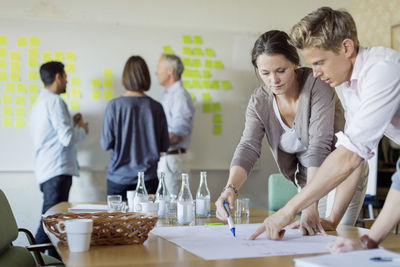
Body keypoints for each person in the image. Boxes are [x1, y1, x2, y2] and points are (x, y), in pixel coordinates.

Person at [252, 6, 400, 244]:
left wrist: (289, 210)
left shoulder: (383, 70)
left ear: (346, 48)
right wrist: (333, 219)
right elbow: (354, 154)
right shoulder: (345, 81)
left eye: (320, 62)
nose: (316, 73)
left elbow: (350, 157)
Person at [215, 30, 369, 237]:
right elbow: (248, 147)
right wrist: (230, 188)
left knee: (334, 234)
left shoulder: (317, 84)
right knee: (308, 239)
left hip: (344, 173)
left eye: (281, 70)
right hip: (309, 180)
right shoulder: (259, 101)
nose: (273, 81)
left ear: (295, 63)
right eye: (265, 73)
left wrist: (310, 204)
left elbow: (319, 145)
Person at [30, 61, 88, 256]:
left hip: (48, 170)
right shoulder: (55, 102)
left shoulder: (41, 102)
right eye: (65, 76)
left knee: (55, 224)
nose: (67, 80)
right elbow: (67, 138)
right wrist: (82, 130)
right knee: (50, 224)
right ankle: (33, 261)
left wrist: (72, 123)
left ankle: (54, 261)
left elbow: (54, 135)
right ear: (58, 77)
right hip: (57, 170)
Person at [100, 56, 169, 199]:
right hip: (148, 180)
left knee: (116, 221)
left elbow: (106, 144)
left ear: (125, 77)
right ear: (146, 76)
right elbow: (164, 146)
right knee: (146, 221)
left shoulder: (114, 106)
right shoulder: (156, 107)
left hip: (118, 179)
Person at [155, 54, 195, 196]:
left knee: (173, 210)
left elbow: (177, 135)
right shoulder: (169, 95)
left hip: (173, 162)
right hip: (167, 160)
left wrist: (152, 143)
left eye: (158, 68)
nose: (156, 72)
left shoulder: (179, 96)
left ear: (170, 70)